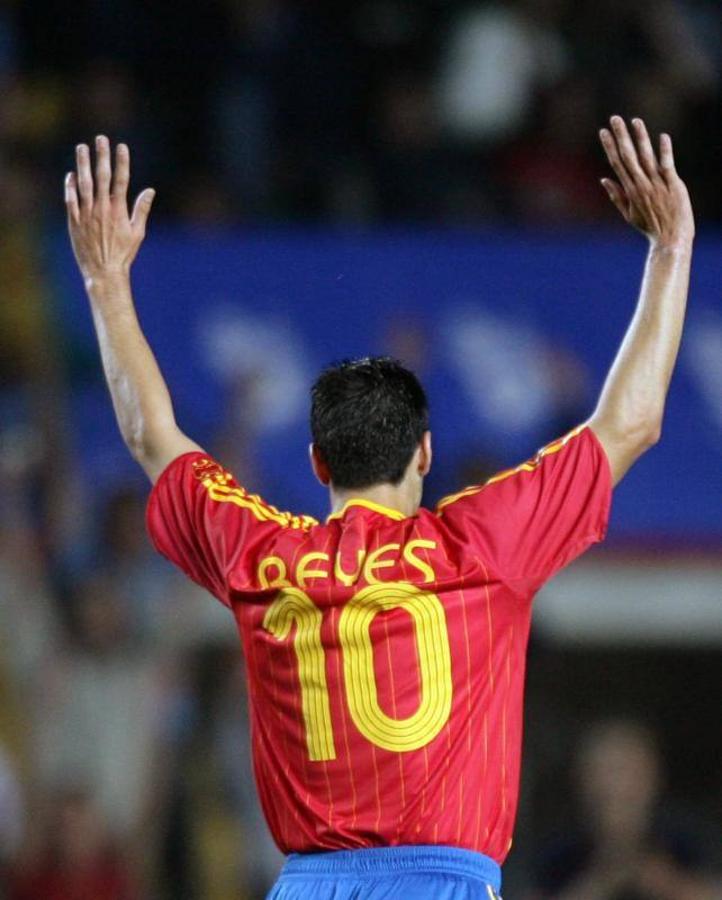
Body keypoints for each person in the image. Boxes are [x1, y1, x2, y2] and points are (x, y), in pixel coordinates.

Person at [64, 116, 694, 898]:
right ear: (424, 454)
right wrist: (670, 251)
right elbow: (630, 421)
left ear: (317, 462)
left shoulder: (264, 556)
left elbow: (149, 433)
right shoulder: (485, 543)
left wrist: (103, 278)